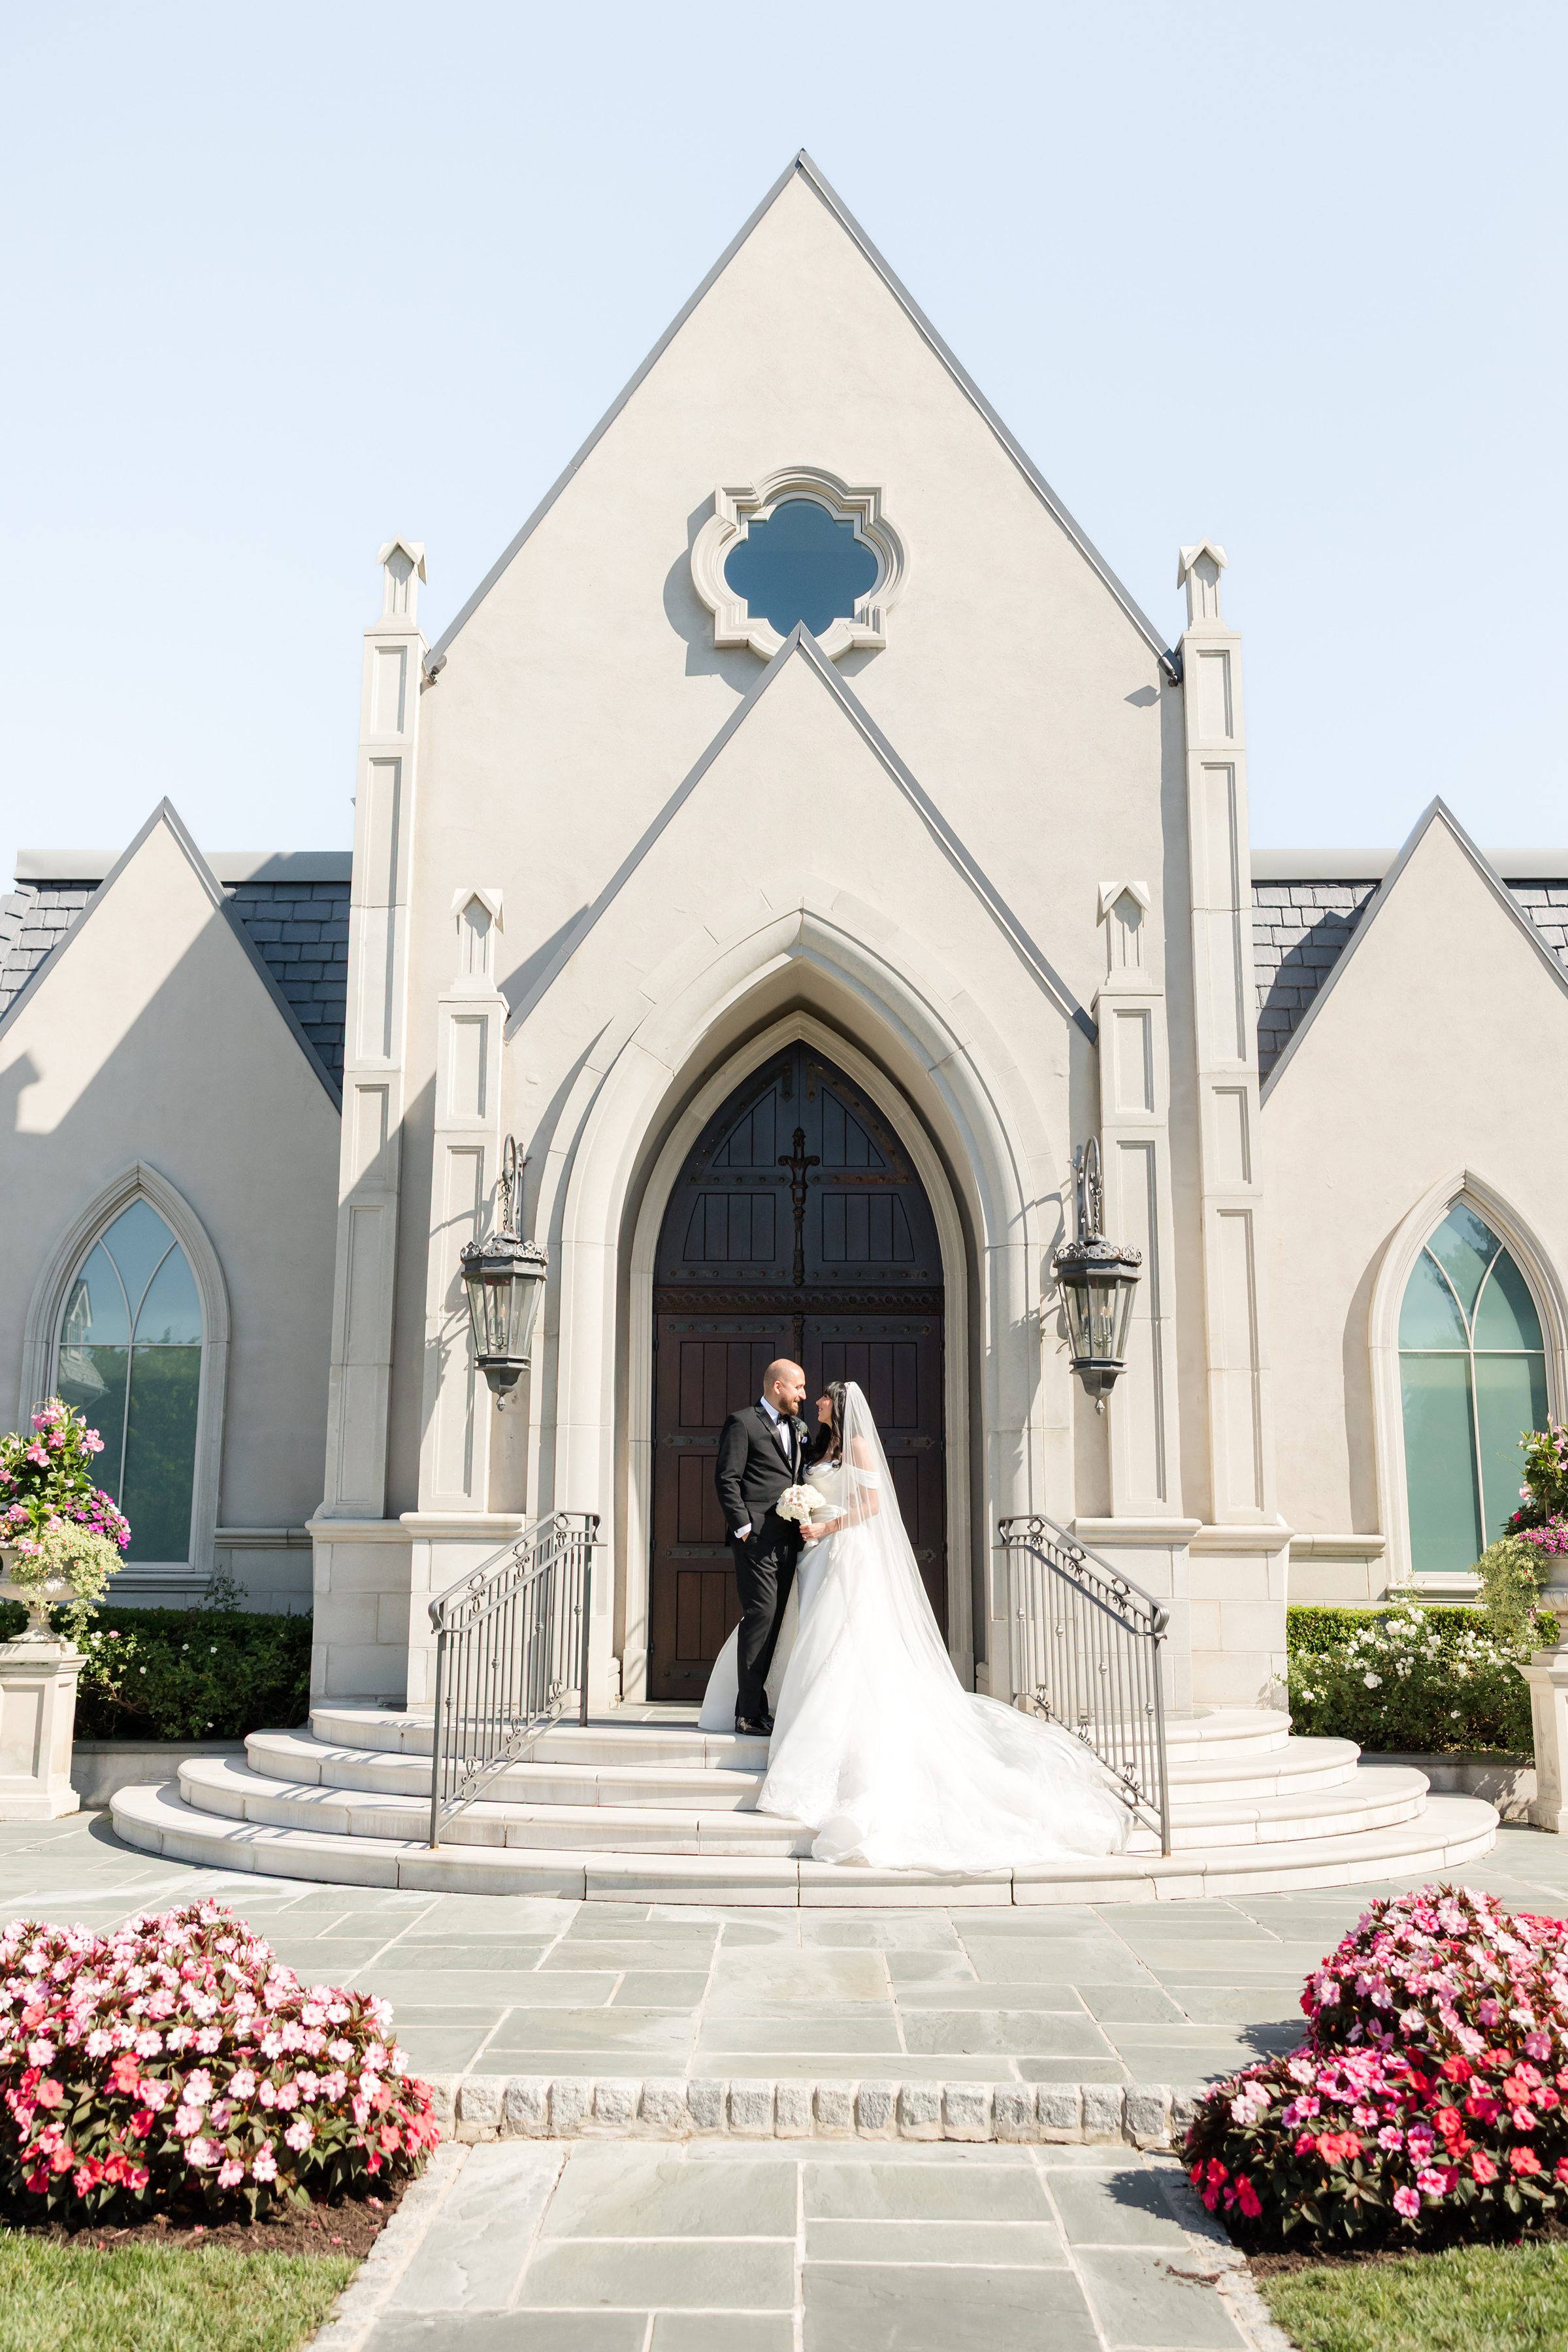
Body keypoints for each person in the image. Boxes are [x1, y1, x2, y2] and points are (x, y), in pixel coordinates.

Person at [733, 1379, 1132, 1872]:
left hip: (844, 1552)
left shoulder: (856, 1444)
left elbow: (874, 1505)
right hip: (814, 1556)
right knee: (817, 1640)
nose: (814, 1400)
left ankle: (830, 1735)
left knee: (845, 1642)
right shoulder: (818, 1443)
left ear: (838, 1405)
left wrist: (827, 1525)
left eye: (822, 1397)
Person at [711, 1359, 816, 1735]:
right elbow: (727, 1480)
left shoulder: (798, 1427)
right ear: (778, 1387)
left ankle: (753, 1708)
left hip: (789, 1541)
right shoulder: (742, 1423)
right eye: (799, 1387)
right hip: (756, 1542)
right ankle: (748, 1714)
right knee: (760, 1618)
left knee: (772, 1624)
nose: (803, 1395)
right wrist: (744, 1530)